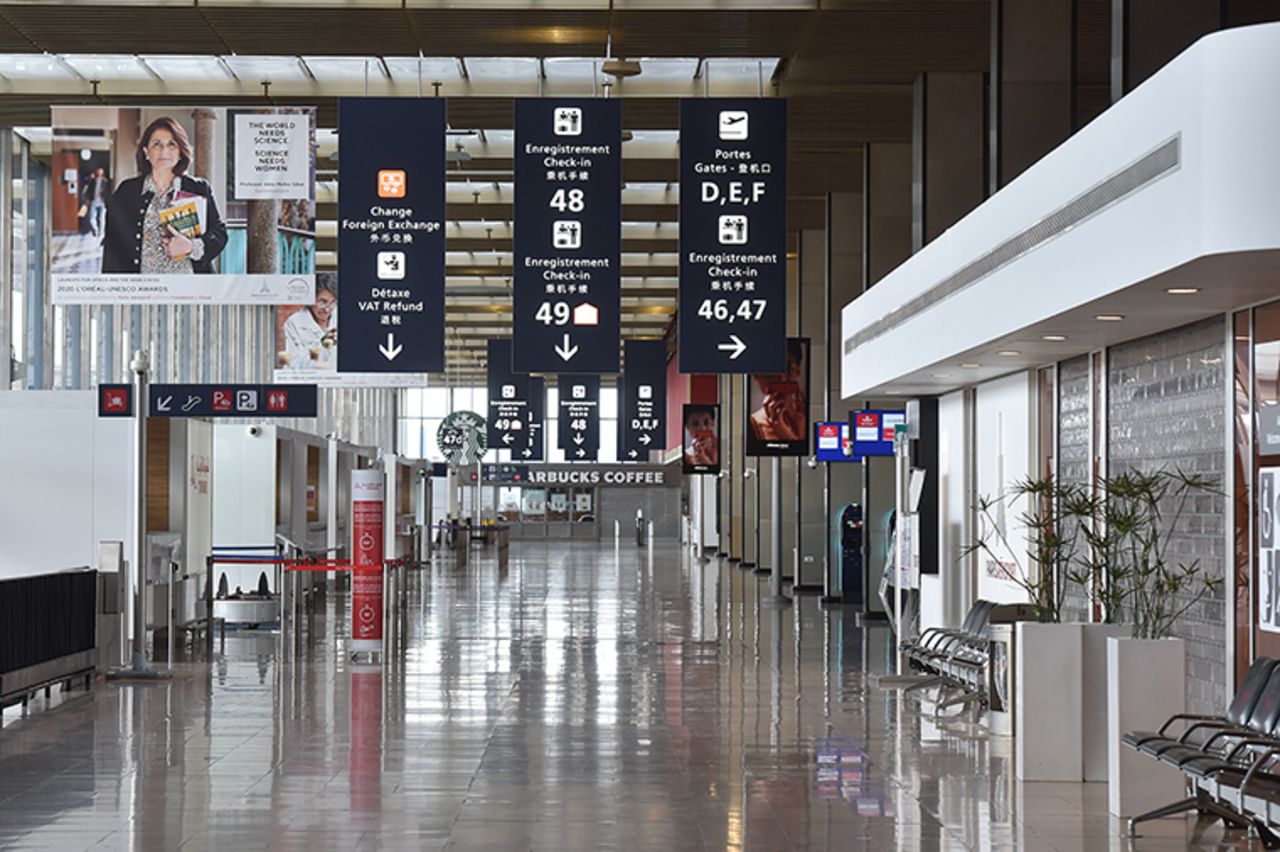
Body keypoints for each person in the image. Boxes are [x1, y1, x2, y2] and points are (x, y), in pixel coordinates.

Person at [101, 116, 227, 274]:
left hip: (190, 291)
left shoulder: (198, 188)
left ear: (181, 152)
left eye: (172, 144)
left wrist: (190, 246)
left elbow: (219, 233)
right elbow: (113, 246)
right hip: (142, 292)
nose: (164, 151)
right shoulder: (127, 191)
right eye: (157, 144)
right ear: (146, 152)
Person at [749, 341, 807, 443]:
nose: (781, 378)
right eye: (770, 370)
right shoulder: (754, 423)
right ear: (756, 376)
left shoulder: (806, 415)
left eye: (788, 369)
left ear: (798, 370)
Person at [281, 282, 338, 370]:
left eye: (332, 303)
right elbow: (292, 364)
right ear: (311, 300)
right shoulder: (294, 323)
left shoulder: (340, 317)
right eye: (322, 302)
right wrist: (323, 345)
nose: (327, 309)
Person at [80, 167, 110, 238]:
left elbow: (108, 191)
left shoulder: (105, 181)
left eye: (101, 171)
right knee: (91, 218)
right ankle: (95, 229)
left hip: (102, 202)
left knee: (102, 218)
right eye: (98, 171)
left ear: (103, 172)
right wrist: (88, 199)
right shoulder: (93, 181)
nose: (99, 172)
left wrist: (104, 195)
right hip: (94, 201)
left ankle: (101, 233)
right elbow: (89, 190)